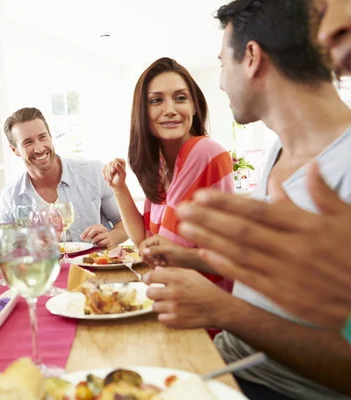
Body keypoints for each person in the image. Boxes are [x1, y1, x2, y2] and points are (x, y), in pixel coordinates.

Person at [144, 1, 351, 399]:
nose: (220, 82)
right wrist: (189, 257)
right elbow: (280, 266)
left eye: (223, 63)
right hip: (227, 359)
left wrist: (220, 309)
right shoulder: (277, 151)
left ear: (252, 58)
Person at [102, 57, 234, 294]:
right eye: (156, 100)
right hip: (174, 297)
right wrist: (119, 189)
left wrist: (162, 251)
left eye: (180, 98)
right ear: (142, 112)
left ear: (194, 106)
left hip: (207, 310)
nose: (170, 110)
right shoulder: (161, 166)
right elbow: (144, 241)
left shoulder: (203, 152)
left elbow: (165, 255)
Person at [0, 107, 128, 247]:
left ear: (50, 137)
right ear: (15, 150)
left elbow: (126, 223)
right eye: (28, 142)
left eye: (42, 137)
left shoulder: (94, 172)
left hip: (93, 265)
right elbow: (6, 246)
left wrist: (110, 237)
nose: (40, 148)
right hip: (45, 268)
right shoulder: (10, 197)